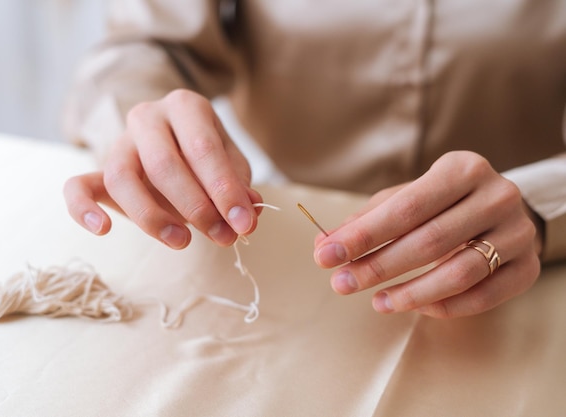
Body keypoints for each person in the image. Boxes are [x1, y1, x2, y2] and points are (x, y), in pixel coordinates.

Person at [62, 0, 566, 319]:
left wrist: (540, 206)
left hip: (526, 271)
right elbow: (142, 45)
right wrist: (143, 127)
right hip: (286, 250)